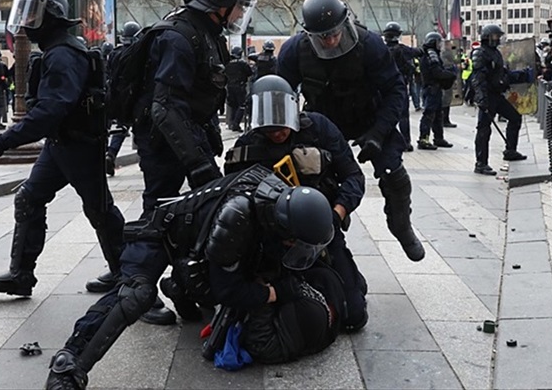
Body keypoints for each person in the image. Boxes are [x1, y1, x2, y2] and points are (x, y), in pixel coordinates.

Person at [44, 166, 336, 389]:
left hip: (196, 245)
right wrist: (271, 294)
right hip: (158, 236)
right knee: (136, 295)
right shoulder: (238, 216)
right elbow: (228, 291)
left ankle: (181, 286)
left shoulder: (280, 202)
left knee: (216, 285)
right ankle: (68, 365)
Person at [0, 0, 128, 304]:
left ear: (51, 17)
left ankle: (129, 277)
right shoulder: (58, 50)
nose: (25, 23)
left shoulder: (62, 54)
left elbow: (51, 110)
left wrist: (5, 140)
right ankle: (21, 275)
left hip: (78, 145)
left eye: (33, 14)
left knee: (100, 210)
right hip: (63, 144)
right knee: (30, 198)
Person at [277, 0, 425, 262]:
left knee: (395, 177)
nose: (331, 41)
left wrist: (379, 133)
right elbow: (279, 94)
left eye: (335, 33)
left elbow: (395, 90)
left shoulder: (370, 45)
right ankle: (323, 235)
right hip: (323, 121)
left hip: (370, 117)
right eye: (323, 37)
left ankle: (401, 226)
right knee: (311, 178)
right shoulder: (295, 51)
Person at [224, 75, 369, 330]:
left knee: (353, 316)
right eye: (270, 129)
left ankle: (347, 278)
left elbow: (354, 177)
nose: (277, 134)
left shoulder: (319, 129)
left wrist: (335, 215)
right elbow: (235, 200)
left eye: (282, 127)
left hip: (323, 230)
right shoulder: (247, 147)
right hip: (273, 241)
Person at [129, 0, 255, 215]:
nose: (241, 14)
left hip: (185, 132)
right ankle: (138, 254)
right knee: (159, 210)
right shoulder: (179, 37)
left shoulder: (208, 33)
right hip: (160, 141)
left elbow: (199, 88)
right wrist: (197, 162)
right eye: (240, 6)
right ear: (222, 3)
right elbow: (165, 107)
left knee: (209, 204)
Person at [470, 24, 528, 175]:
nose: (498, 39)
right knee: (484, 129)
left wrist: (520, 75)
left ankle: (510, 150)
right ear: (487, 37)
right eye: (495, 36)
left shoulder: (495, 53)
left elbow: (502, 74)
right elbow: (477, 78)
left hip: (497, 95)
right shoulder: (480, 53)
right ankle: (481, 163)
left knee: (515, 117)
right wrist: (481, 98)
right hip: (487, 95)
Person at [102, 21, 140, 179]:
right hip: (135, 95)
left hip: (118, 96)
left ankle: (110, 154)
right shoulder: (138, 52)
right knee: (140, 127)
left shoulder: (116, 53)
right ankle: (145, 158)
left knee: (121, 127)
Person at [382, 22, 418, 152]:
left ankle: (389, 142)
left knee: (388, 114)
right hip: (400, 86)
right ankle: (405, 142)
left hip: (385, 87)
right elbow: (418, 52)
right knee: (403, 116)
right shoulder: (402, 49)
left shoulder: (382, 50)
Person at [416, 32, 455, 151]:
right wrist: (450, 74)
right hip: (432, 88)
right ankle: (424, 139)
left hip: (434, 88)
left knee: (438, 114)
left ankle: (438, 138)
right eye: (438, 43)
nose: (440, 45)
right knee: (429, 114)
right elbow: (437, 72)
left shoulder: (431, 54)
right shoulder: (431, 55)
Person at [223, 46, 252, 132]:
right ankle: (236, 124)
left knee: (233, 105)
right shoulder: (242, 63)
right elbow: (249, 72)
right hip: (240, 86)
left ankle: (232, 123)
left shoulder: (227, 63)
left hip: (229, 86)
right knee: (242, 106)